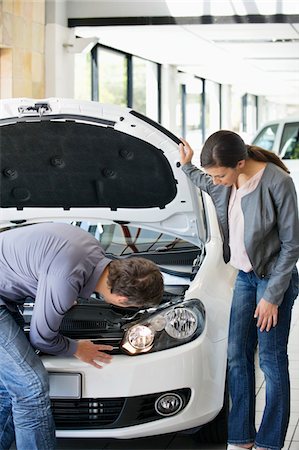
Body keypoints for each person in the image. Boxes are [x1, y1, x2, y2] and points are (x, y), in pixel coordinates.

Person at [179, 131, 299, 450]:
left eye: (220, 174)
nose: (215, 181)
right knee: (236, 356)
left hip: (274, 280)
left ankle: (269, 442)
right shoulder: (224, 184)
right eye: (213, 175)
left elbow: (292, 244)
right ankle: (240, 438)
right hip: (245, 278)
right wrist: (186, 166)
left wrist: (272, 297)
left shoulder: (277, 183)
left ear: (241, 163)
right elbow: (204, 182)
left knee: (271, 362)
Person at [0, 222, 164, 450]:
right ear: (123, 301)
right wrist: (76, 348)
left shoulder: (90, 246)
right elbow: (41, 338)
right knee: (31, 387)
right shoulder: (66, 280)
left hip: (6, 298)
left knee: (11, 389)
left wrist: (62, 293)